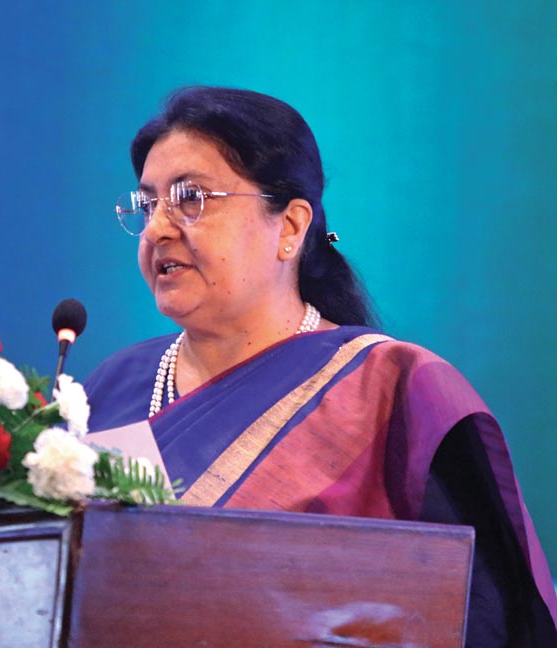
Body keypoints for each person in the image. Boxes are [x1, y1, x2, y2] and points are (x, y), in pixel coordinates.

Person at [84, 86, 557, 645]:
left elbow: (479, 616)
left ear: (289, 226)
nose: (157, 229)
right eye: (148, 204)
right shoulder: (113, 388)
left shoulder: (391, 388)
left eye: (191, 198)